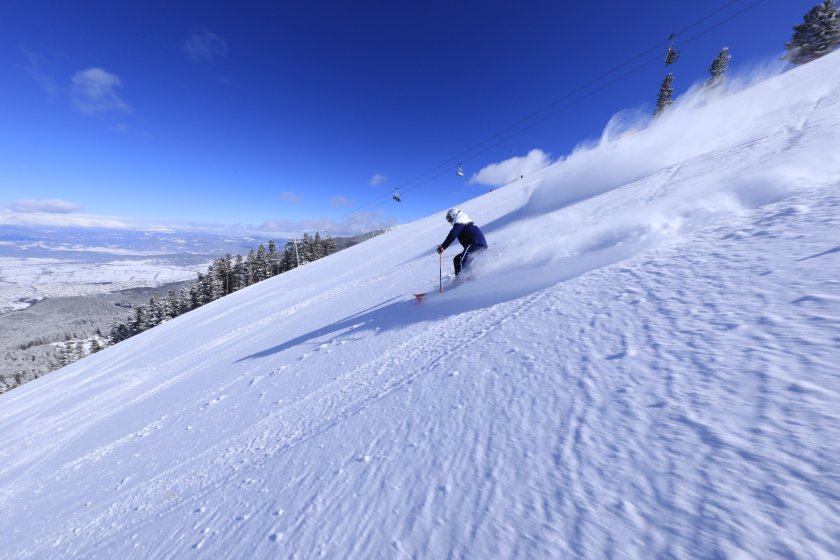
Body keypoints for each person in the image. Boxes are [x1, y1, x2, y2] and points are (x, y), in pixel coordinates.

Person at [437, 208, 487, 277]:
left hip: (475, 244)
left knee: (463, 261)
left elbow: (453, 234)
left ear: (453, 215)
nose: (449, 221)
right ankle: (459, 279)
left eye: (449, 219)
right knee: (457, 259)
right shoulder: (462, 220)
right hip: (476, 244)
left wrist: (443, 246)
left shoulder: (460, 221)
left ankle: (466, 282)